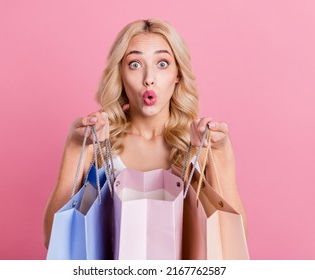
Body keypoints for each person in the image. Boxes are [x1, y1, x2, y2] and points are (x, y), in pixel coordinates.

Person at [43, 18, 247, 248]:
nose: (149, 78)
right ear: (120, 74)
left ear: (178, 74)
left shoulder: (201, 145)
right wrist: (74, 145)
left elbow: (234, 244)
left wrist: (219, 153)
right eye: (135, 64)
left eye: (162, 64)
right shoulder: (97, 144)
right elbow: (53, 240)